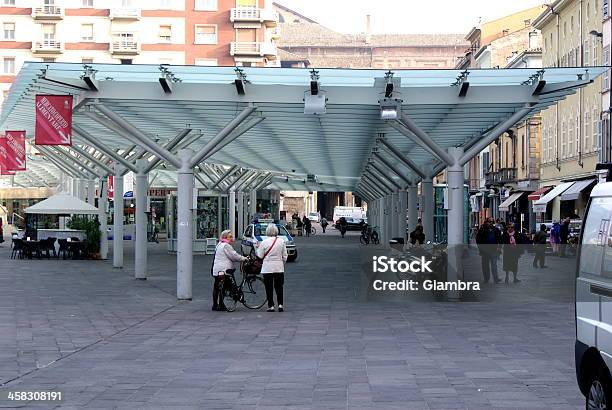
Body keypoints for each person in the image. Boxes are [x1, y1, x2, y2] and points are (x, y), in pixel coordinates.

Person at [211, 230, 248, 311]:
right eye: (230, 237)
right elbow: (234, 256)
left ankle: (215, 305)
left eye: (232, 236)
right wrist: (244, 258)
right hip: (224, 270)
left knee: (216, 287)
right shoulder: (226, 246)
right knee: (225, 287)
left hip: (217, 269)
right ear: (225, 237)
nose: (232, 238)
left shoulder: (219, 244)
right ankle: (222, 304)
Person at [256, 224, 288, 312]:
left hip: (267, 268)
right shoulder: (281, 241)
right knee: (279, 287)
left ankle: (271, 305)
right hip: (279, 267)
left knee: (268, 287)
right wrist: (281, 263)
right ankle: (280, 305)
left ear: (267, 231)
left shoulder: (264, 242)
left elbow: (260, 255)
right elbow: (285, 256)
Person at [476, 217, 502, 284]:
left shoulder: (496, 230)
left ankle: (496, 278)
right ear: (486, 222)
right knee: (485, 265)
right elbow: (478, 240)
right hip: (485, 251)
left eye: (492, 222)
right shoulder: (482, 230)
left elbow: (500, 239)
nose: (491, 223)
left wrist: (499, 247)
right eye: (489, 221)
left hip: (494, 250)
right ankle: (486, 279)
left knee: (494, 265)